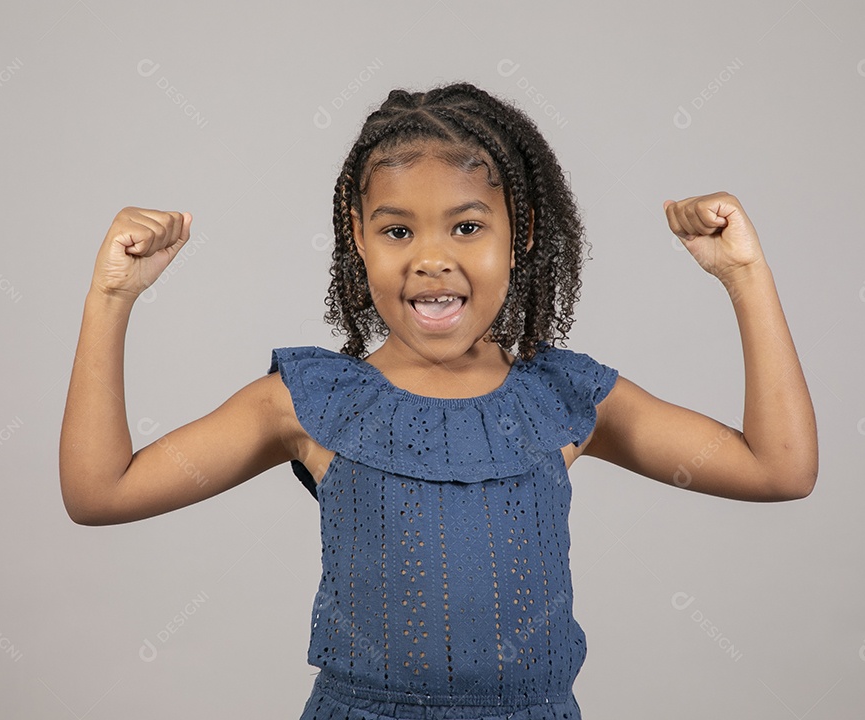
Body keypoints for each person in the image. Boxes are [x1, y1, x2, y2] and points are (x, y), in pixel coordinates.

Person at [59, 82, 817, 719]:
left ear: (517, 235)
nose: (431, 258)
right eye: (396, 229)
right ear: (358, 238)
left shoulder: (562, 397)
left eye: (466, 225)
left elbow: (780, 470)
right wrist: (111, 298)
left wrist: (744, 277)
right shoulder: (308, 403)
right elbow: (100, 492)